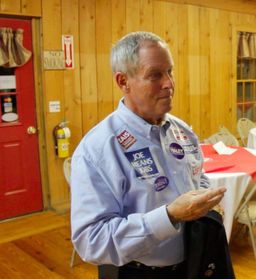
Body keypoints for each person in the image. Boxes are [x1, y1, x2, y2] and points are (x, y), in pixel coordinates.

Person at [70, 31, 226, 278]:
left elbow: (197, 178)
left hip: (193, 263)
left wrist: (205, 199)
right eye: (155, 75)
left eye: (170, 72)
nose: (169, 83)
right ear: (123, 82)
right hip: (136, 272)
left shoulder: (182, 131)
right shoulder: (97, 150)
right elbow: (92, 242)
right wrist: (169, 216)